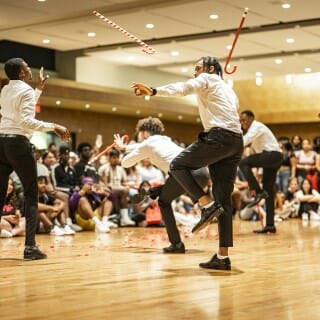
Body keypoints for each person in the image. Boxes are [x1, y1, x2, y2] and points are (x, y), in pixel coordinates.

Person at [131, 56, 243, 271]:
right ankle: (222, 256)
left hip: (218, 137)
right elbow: (230, 108)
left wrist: (154, 90)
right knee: (224, 203)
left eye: (197, 68)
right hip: (236, 142)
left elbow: (185, 87)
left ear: (210, 69)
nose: (195, 72)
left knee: (177, 165)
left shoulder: (207, 78)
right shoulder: (229, 89)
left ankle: (206, 205)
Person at [0, 57, 70, 260]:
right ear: (22, 73)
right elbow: (26, 120)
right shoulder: (25, 91)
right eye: (26, 67)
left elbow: (19, 111)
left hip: (1, 142)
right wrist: (54, 126)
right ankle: (30, 248)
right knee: (31, 194)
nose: (29, 68)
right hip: (17, 144)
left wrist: (38, 89)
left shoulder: (5, 89)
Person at [114, 117, 210, 254]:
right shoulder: (166, 140)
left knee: (164, 202)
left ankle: (176, 244)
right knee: (167, 191)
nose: (140, 136)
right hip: (202, 172)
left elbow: (125, 163)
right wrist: (125, 147)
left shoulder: (147, 144)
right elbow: (138, 146)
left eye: (140, 133)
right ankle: (153, 191)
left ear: (145, 133)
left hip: (187, 175)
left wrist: (126, 152)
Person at [239, 110, 282, 234]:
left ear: (252, 118)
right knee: (268, 192)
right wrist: (259, 171)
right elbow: (255, 154)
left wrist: (228, 146)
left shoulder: (257, 126)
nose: (242, 123)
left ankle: (258, 191)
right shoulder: (255, 133)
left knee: (243, 163)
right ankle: (270, 225)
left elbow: (244, 141)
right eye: (241, 121)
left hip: (272, 156)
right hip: (273, 159)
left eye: (244, 119)